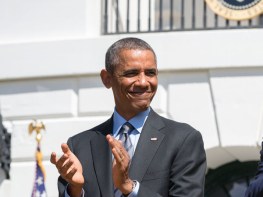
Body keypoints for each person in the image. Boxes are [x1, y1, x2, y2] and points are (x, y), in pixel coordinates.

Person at [50, 37, 207, 197]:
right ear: (107, 79)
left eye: (150, 73)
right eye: (132, 73)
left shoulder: (183, 139)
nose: (143, 82)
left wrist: (129, 187)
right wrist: (75, 190)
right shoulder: (79, 146)